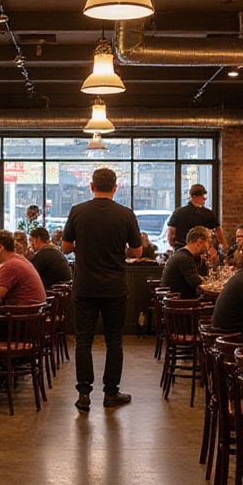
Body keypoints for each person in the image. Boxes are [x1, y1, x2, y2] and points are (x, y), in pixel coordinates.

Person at [62, 167, 142, 412]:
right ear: (115, 187)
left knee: (83, 340)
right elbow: (137, 252)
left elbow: (65, 248)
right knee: (114, 342)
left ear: (91, 186)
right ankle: (111, 393)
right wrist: (119, 250)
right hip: (114, 287)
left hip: (85, 285)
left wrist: (84, 248)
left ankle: (84, 394)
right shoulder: (125, 214)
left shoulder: (77, 212)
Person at [0, 230, 47, 308]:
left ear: (0, 247)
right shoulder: (18, 259)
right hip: (34, 313)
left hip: (23, 316)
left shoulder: (10, 265)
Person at [166, 183, 224, 251]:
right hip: (202, 250)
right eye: (202, 196)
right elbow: (218, 232)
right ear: (194, 197)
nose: (204, 198)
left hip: (181, 249)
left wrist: (173, 246)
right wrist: (223, 245)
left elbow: (171, 235)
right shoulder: (208, 213)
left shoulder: (178, 212)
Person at [161, 226, 212, 299]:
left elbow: (205, 277)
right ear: (199, 242)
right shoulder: (184, 258)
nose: (210, 246)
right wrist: (201, 279)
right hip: (180, 305)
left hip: (180, 301)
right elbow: (198, 284)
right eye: (209, 242)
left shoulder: (191, 257)